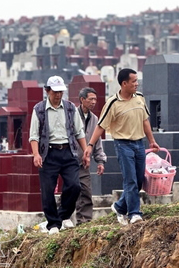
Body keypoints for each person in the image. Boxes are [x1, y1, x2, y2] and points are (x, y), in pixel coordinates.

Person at [83, 68, 159, 225]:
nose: (137, 84)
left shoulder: (140, 98)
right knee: (130, 180)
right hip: (123, 145)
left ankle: (119, 206)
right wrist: (90, 145)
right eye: (133, 82)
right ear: (124, 84)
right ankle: (134, 214)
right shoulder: (113, 103)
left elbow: (145, 120)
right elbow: (100, 126)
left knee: (139, 180)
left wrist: (151, 140)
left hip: (139, 144)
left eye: (137, 81)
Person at [29, 75, 90, 235]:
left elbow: (79, 132)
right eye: (55, 92)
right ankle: (53, 224)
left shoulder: (70, 108)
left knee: (74, 186)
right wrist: (36, 155)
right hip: (48, 153)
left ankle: (62, 216)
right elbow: (34, 135)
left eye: (61, 92)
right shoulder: (39, 110)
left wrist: (85, 152)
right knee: (48, 190)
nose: (58, 95)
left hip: (68, 152)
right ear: (47, 91)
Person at [75, 87, 107, 224]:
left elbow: (97, 142)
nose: (94, 102)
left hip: (84, 163)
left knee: (86, 191)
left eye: (95, 99)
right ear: (82, 100)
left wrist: (100, 161)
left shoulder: (95, 119)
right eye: (91, 99)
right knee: (71, 190)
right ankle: (63, 219)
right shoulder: (72, 115)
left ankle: (84, 221)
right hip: (70, 161)